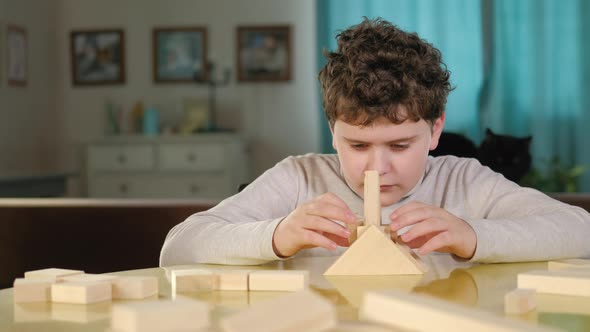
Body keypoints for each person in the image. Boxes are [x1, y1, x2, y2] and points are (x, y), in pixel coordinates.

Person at [160, 18, 590, 267]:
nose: (376, 169)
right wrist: (275, 235)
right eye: (358, 145)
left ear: (436, 129)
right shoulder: (298, 178)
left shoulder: (464, 181)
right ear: (332, 129)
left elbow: (580, 233)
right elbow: (177, 249)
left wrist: (472, 234)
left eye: (400, 146)